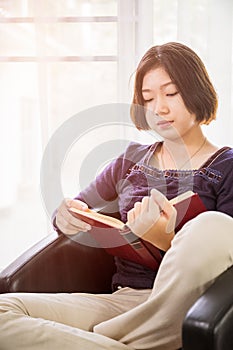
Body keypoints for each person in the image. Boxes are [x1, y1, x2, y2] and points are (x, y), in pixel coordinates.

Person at [0, 42, 233, 350]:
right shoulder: (129, 161)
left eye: (171, 93)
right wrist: (67, 214)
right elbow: (75, 208)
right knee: (3, 310)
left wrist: (165, 241)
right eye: (147, 99)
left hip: (187, 306)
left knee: (213, 227)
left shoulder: (226, 167)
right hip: (122, 301)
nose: (158, 109)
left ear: (196, 91)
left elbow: (224, 263)